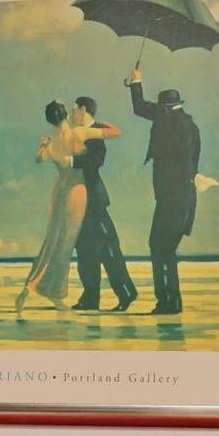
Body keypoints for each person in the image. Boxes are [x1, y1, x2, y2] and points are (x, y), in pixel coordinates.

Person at [16, 100, 120, 315]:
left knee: (52, 242)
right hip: (76, 193)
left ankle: (32, 288)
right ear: (65, 115)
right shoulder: (79, 132)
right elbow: (115, 132)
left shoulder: (53, 144)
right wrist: (95, 122)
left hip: (59, 194)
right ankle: (53, 292)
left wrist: (43, 145)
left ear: (50, 120)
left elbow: (39, 159)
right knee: (64, 246)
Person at [128, 66, 202, 315]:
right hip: (185, 197)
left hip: (171, 199)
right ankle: (172, 302)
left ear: (166, 108)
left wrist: (136, 81)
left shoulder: (167, 118)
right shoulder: (192, 126)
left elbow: (140, 108)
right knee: (166, 249)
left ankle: (167, 302)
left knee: (159, 246)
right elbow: (194, 163)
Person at [70, 95, 137, 312]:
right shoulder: (80, 132)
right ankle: (90, 297)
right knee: (84, 250)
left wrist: (70, 161)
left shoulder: (96, 132)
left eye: (74, 109)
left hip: (94, 201)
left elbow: (96, 161)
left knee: (108, 248)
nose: (72, 114)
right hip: (80, 201)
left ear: (83, 109)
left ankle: (126, 293)